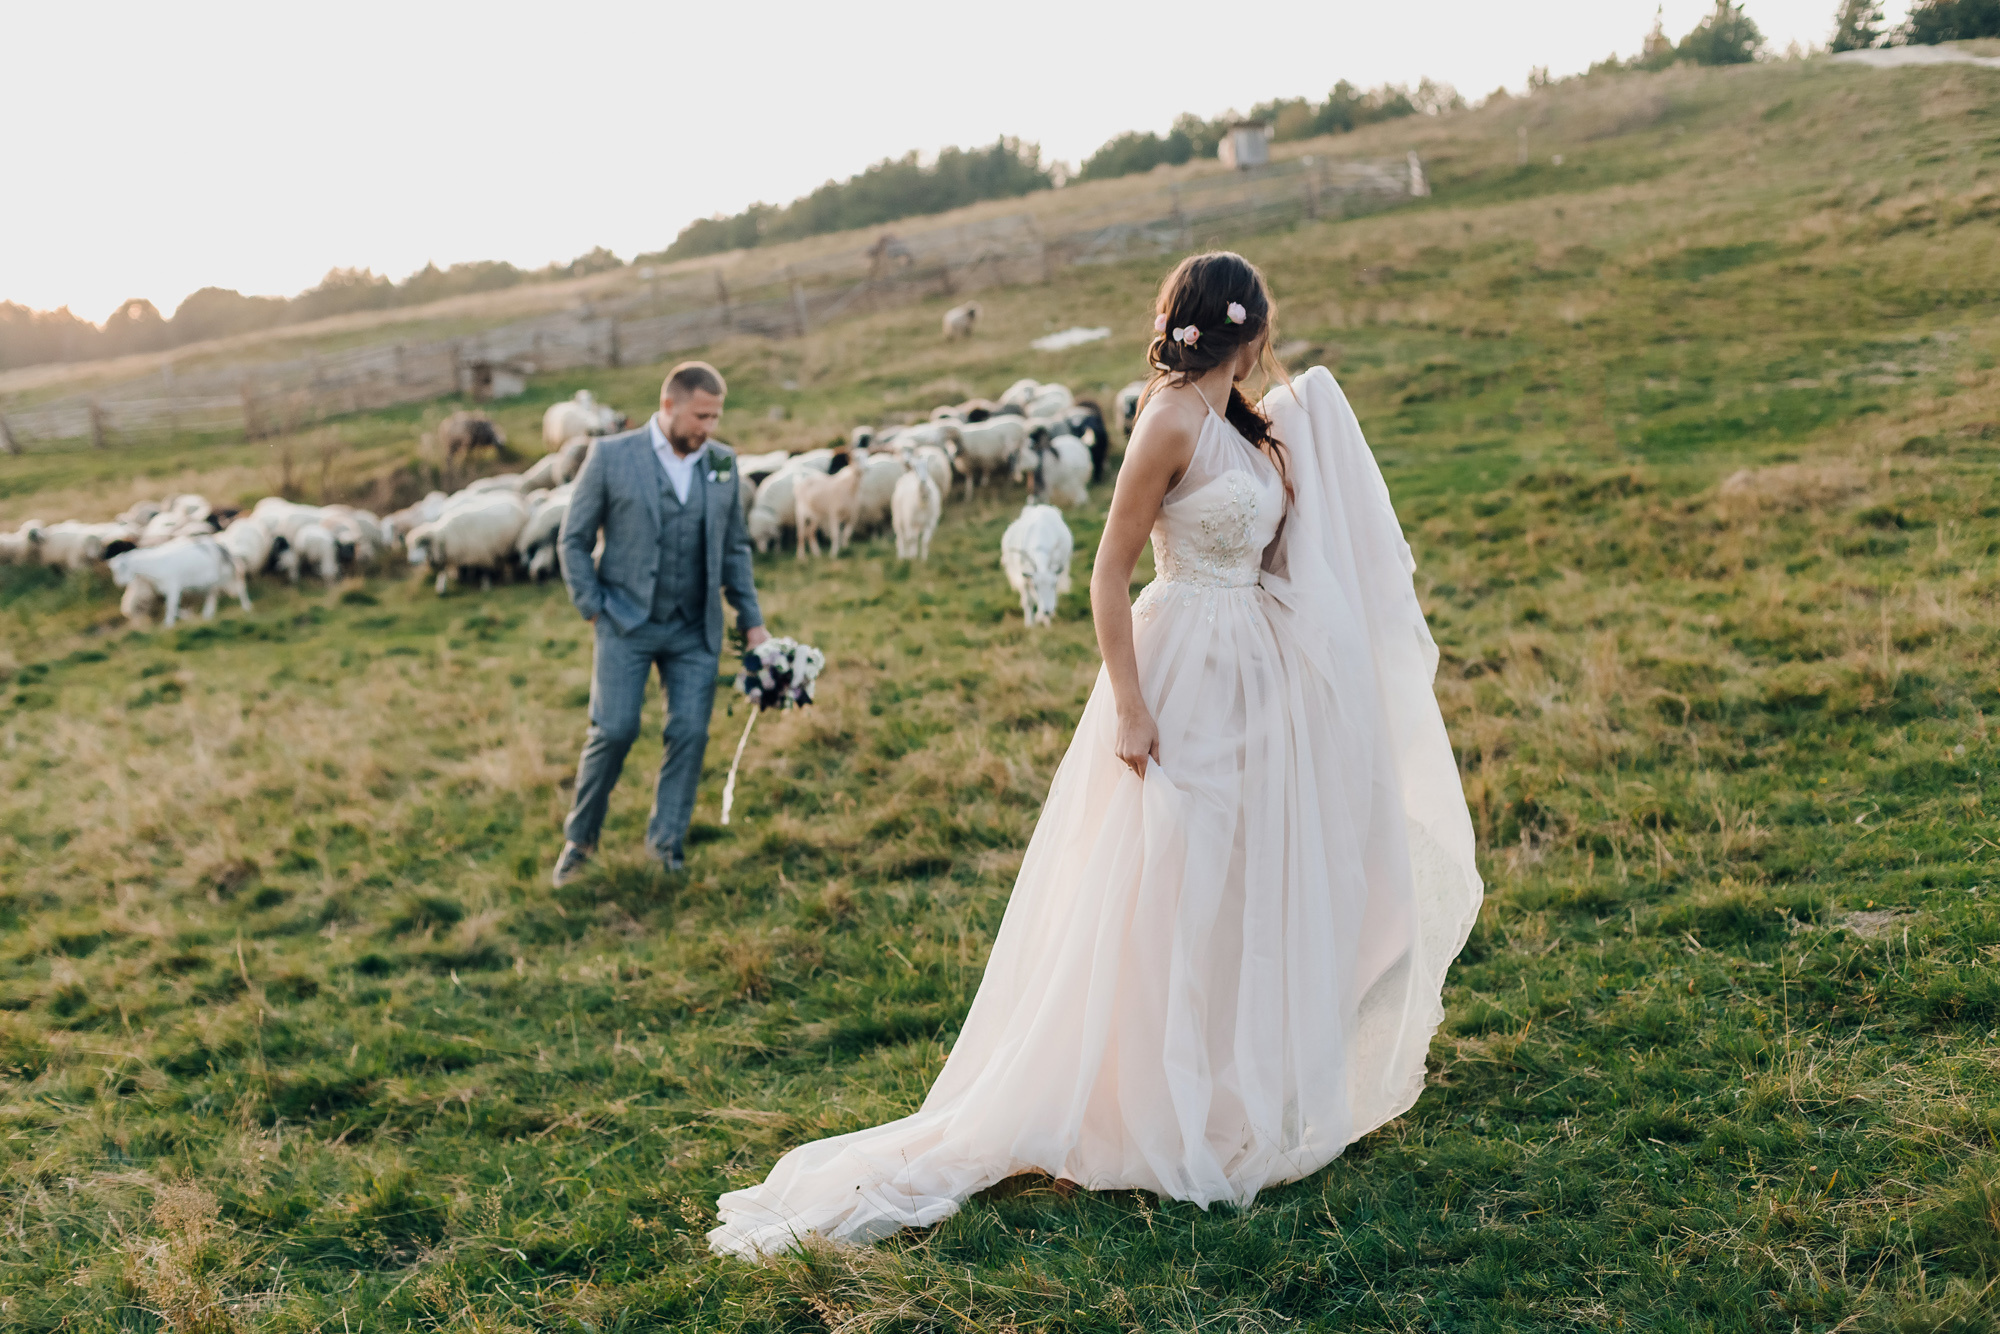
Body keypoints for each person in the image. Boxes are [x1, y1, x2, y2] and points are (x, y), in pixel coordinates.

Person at [707, 252, 1484, 1260]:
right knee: (1164, 876)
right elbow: (1109, 570)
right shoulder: (1166, 420)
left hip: (1256, 673)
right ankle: (1124, 1095)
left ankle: (1218, 1081)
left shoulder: (1253, 426)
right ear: (1235, 326)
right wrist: (1127, 702)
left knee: (1238, 878)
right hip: (1179, 667)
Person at [552, 361, 769, 886]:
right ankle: (580, 841)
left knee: (690, 733)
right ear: (669, 405)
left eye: (716, 417)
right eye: (701, 416)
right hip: (624, 621)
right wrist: (593, 605)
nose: (709, 428)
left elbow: (735, 547)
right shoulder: (610, 457)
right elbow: (573, 539)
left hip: (695, 626)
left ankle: (665, 848)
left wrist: (753, 622)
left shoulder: (721, 463)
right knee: (615, 730)